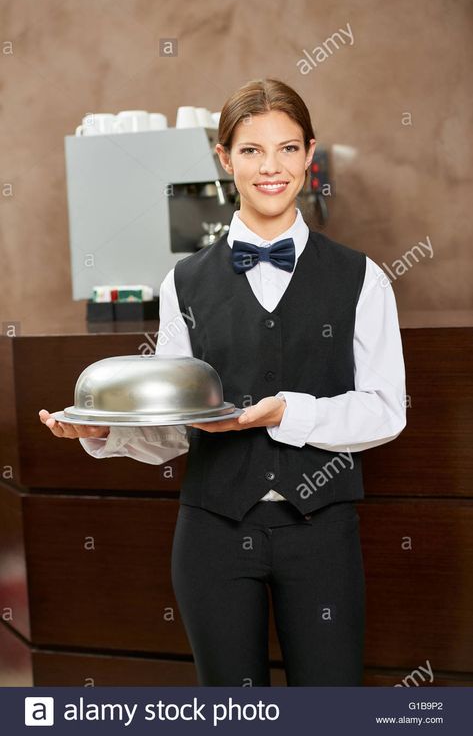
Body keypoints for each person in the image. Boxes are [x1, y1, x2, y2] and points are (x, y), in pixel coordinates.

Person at [39, 77, 406, 686]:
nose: (271, 168)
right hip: (212, 532)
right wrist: (108, 433)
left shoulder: (362, 278)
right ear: (224, 158)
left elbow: (386, 410)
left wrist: (288, 412)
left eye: (288, 149)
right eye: (251, 150)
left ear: (310, 155)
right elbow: (180, 428)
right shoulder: (182, 282)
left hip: (320, 535)